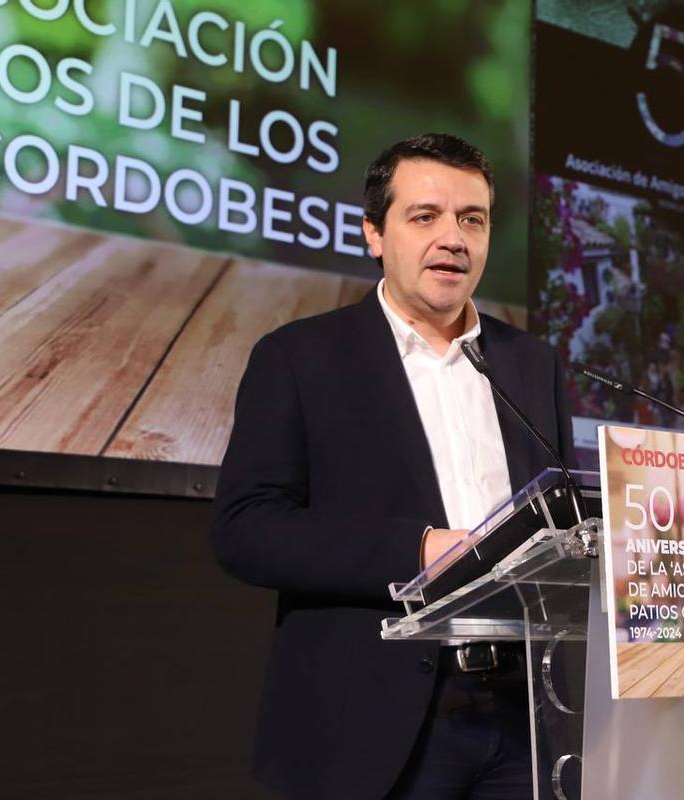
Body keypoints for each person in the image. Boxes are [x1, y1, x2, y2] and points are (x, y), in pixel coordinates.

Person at [210, 133, 576, 799]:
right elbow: (245, 528)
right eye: (425, 216)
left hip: (522, 715)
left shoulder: (531, 365)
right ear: (374, 234)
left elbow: (566, 523)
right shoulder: (300, 358)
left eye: (473, 219)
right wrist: (419, 549)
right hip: (374, 720)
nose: (454, 238)